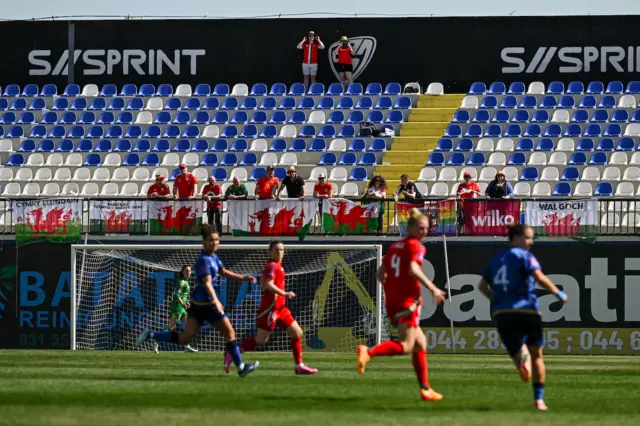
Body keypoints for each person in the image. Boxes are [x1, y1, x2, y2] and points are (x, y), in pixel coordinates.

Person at [136, 224, 259, 377]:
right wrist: (216, 301)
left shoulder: (213, 257)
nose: (214, 243)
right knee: (229, 333)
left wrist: (243, 277)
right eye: (211, 240)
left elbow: (223, 271)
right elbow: (207, 283)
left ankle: (151, 335)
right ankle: (241, 368)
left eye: (216, 240)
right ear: (204, 242)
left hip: (200, 305)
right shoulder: (203, 260)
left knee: (185, 338)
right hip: (205, 307)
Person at [357, 208, 447, 401]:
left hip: (393, 299)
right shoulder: (416, 246)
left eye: (427, 228)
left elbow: (380, 275)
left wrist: (392, 289)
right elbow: (414, 269)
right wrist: (434, 289)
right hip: (408, 301)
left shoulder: (395, 246)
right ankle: (368, 352)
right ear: (412, 228)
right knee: (406, 346)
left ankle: (425, 388)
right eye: (421, 228)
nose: (425, 232)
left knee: (420, 343)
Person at [478, 224, 568, 411]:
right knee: (538, 357)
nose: (531, 242)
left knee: (518, 351)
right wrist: (558, 294)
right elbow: (540, 277)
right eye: (527, 237)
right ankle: (539, 400)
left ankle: (521, 358)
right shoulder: (525, 256)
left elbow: (481, 286)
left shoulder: (497, 259)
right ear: (516, 238)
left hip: (503, 313)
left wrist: (496, 301)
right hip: (528, 311)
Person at [229, 240, 318, 375]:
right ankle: (232, 354)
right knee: (260, 340)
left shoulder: (277, 266)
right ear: (270, 252)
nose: (279, 252)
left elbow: (263, 282)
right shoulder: (272, 266)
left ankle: (299, 365)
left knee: (297, 333)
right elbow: (268, 284)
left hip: (281, 308)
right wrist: (284, 293)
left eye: (281, 250)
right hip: (271, 308)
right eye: (276, 250)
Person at [152, 265, 198, 354]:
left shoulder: (185, 282)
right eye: (186, 271)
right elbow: (176, 295)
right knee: (171, 326)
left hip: (181, 307)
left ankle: (187, 346)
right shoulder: (182, 282)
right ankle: (156, 340)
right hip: (178, 307)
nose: (188, 272)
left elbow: (182, 296)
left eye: (189, 270)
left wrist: (186, 302)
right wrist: (183, 304)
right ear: (182, 272)